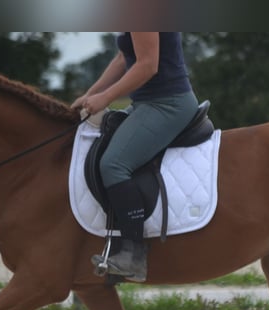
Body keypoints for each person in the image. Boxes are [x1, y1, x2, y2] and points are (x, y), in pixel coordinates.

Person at [72, 32, 199, 282]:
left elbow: (147, 65)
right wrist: (91, 93)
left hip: (167, 104)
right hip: (146, 104)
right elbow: (123, 57)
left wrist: (105, 98)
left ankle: (133, 253)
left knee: (113, 165)